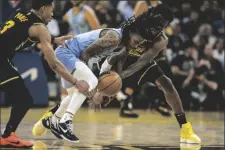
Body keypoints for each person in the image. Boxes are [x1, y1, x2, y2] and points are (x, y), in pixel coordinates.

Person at [34, 4, 201, 144]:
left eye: (163, 24)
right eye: (158, 20)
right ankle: (56, 116)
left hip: (137, 62)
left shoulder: (161, 39)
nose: (158, 26)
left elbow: (142, 61)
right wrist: (107, 84)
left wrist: (117, 81)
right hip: (115, 57)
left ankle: (185, 129)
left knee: (167, 83)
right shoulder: (136, 24)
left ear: (166, 25)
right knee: (87, 88)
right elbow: (111, 41)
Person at [0, 0, 89, 148]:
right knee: (24, 99)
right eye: (51, 10)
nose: (53, 14)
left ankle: (8, 135)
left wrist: (53, 39)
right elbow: (53, 64)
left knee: (20, 96)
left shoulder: (21, 13)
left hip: (3, 59)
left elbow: (16, 31)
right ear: (42, 9)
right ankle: (8, 136)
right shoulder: (40, 28)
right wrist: (75, 82)